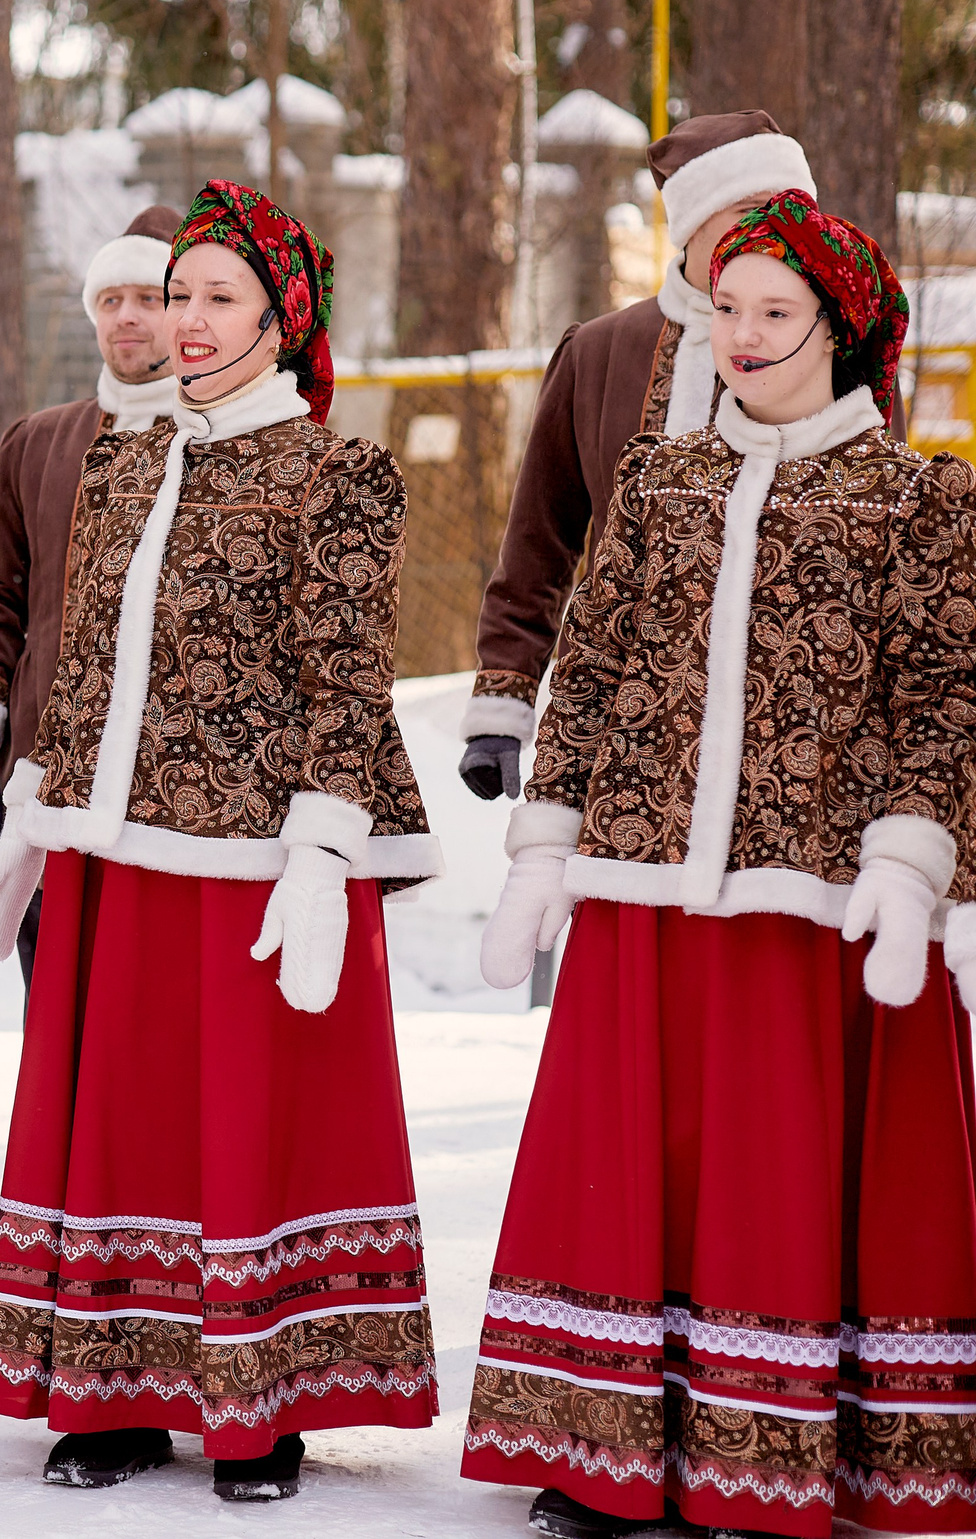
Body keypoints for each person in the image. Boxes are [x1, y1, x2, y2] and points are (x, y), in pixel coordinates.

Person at [462, 192, 976, 1539]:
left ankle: (766, 1454)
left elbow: (945, 694)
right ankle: (605, 1453)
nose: (742, 336)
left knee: (767, 1167)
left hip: (812, 898)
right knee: (628, 1161)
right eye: (727, 309)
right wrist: (543, 843)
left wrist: (913, 860)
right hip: (641, 882)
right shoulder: (659, 474)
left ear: (842, 328)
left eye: (774, 313)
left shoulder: (917, 497)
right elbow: (595, 667)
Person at [0, 180, 442, 1501]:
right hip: (116, 850)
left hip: (256, 858)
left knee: (250, 1120)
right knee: (121, 1113)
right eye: (176, 294)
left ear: (282, 316)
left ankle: (258, 1400)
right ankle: (112, 1392)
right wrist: (35, 808)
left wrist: (319, 852)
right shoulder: (120, 457)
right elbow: (84, 662)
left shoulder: (336, 470)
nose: (185, 319)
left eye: (216, 296)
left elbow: (349, 673)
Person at [460, 112, 817, 800]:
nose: (777, 230)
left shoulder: (838, 349)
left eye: (793, 211)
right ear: (694, 218)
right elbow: (540, 542)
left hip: (789, 725)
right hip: (618, 725)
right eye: (753, 208)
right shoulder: (599, 352)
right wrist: (502, 701)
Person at [0, 201, 182, 980]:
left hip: (181, 794)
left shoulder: (228, 446)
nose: (128, 318)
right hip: (47, 781)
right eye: (111, 301)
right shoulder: (38, 442)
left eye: (150, 298)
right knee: (60, 1015)